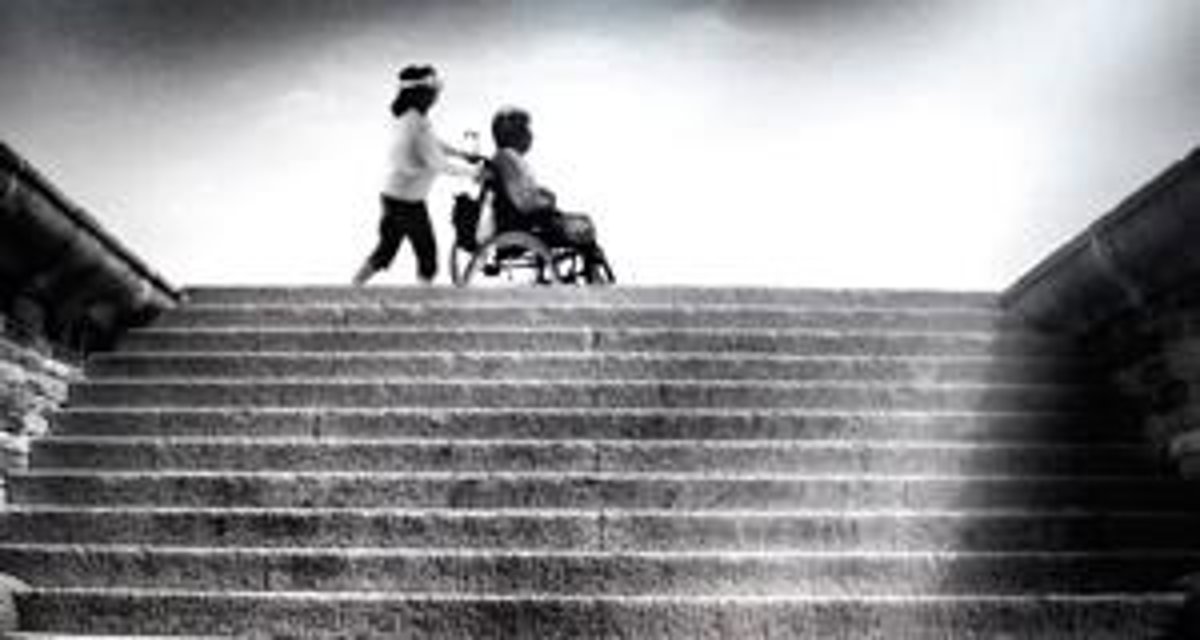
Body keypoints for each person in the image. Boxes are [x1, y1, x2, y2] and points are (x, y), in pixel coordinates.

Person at [352, 64, 477, 286]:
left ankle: (353, 288)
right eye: (433, 92)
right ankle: (423, 302)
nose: (436, 96)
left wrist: (461, 154)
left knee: (385, 251)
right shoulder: (417, 123)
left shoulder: (410, 117)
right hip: (407, 202)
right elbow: (437, 163)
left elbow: (434, 143)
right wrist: (474, 172)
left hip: (392, 196)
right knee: (427, 258)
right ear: (420, 94)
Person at [487, 107, 610, 281]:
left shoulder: (508, 158)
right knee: (583, 225)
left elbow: (521, 193)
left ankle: (593, 269)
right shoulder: (509, 159)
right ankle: (595, 274)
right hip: (528, 223)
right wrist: (546, 201)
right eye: (527, 130)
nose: (531, 136)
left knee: (582, 222)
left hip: (526, 220)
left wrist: (541, 194)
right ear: (515, 134)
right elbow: (524, 202)